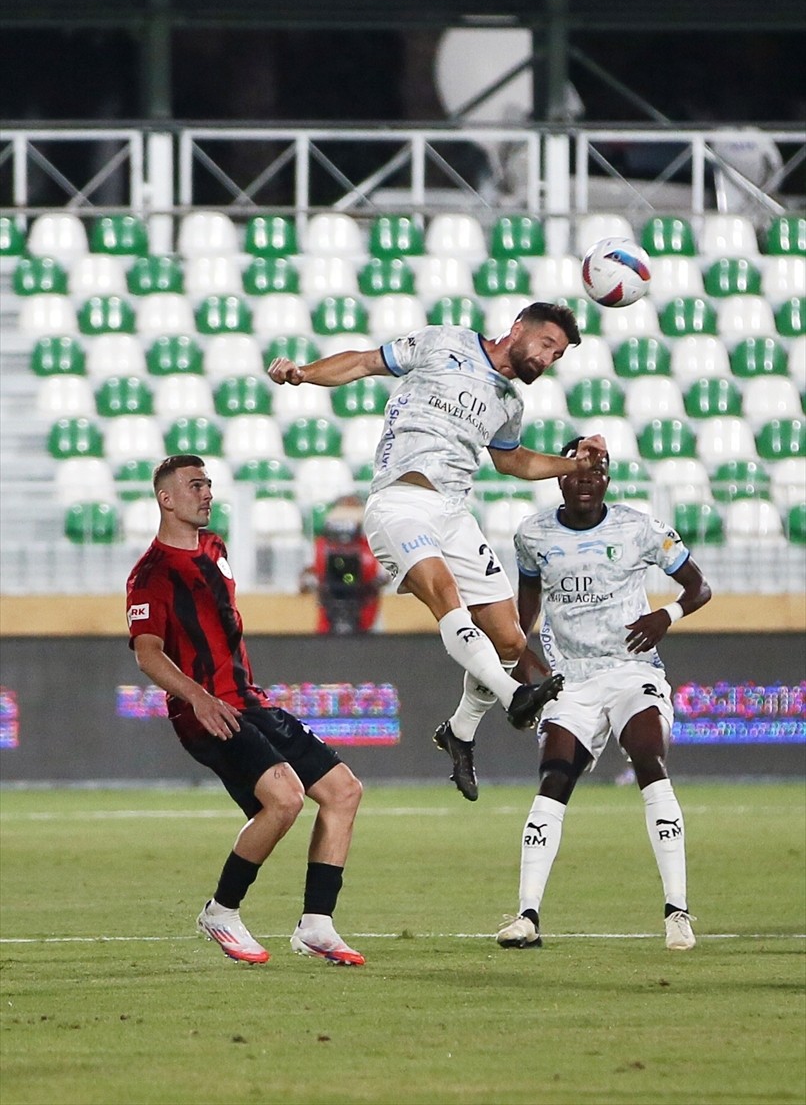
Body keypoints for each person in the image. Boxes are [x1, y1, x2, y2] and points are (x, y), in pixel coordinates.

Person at [269, 303, 603, 801]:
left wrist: (570, 465)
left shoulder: (509, 402)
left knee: (510, 642)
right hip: (399, 502)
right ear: (518, 329)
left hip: (453, 513)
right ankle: (515, 697)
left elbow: (512, 461)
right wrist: (303, 374)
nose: (548, 359)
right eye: (547, 345)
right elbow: (364, 362)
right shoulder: (444, 342)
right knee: (445, 592)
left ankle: (460, 732)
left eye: (556, 355)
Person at [125, 454, 365, 966]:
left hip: (248, 700)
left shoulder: (215, 547)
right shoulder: (151, 574)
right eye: (195, 486)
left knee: (343, 791)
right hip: (205, 712)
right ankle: (221, 910)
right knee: (285, 798)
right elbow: (147, 653)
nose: (206, 493)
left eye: (208, 484)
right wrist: (197, 695)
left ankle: (317, 925)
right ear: (166, 499)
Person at [495, 437, 712, 953]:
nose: (587, 481)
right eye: (578, 471)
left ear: (608, 481)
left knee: (647, 758)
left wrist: (666, 615)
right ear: (560, 477)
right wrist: (515, 662)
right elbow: (524, 620)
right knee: (554, 776)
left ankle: (677, 913)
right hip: (571, 678)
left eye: (598, 472)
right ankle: (527, 915)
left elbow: (699, 587)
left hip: (631, 670)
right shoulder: (532, 536)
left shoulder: (640, 529)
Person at [300, 496, 389, 635]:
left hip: (367, 619)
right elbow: (304, 582)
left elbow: (384, 576)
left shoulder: (372, 548)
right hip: (328, 621)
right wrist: (317, 583)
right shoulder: (320, 547)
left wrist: (367, 584)